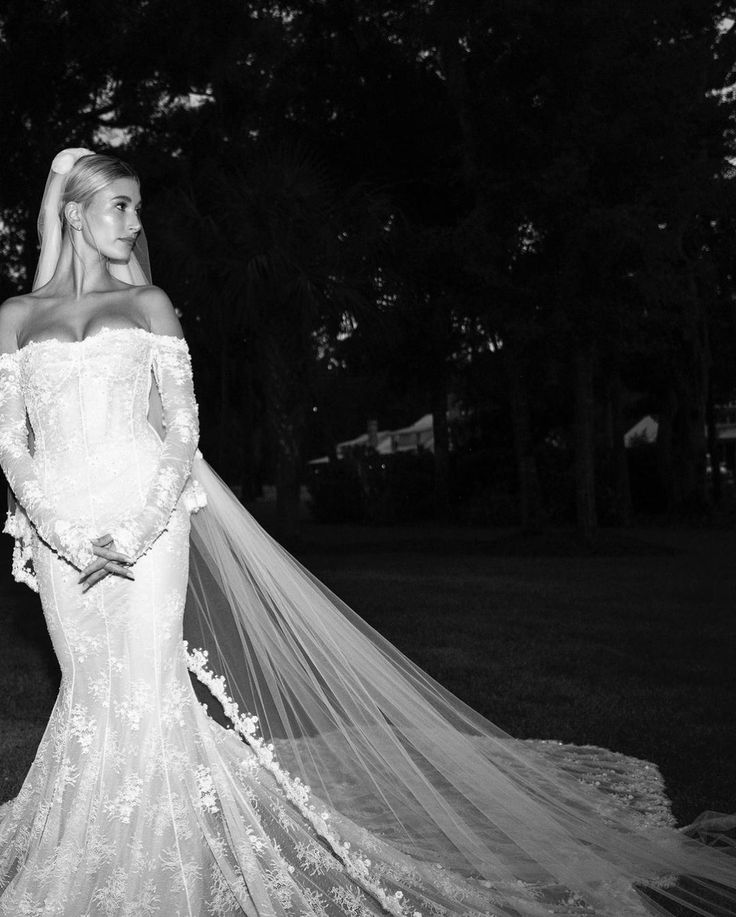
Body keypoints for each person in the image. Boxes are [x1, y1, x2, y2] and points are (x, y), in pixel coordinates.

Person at [0, 149, 733, 917]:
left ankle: (158, 878)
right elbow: (13, 444)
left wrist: (140, 527)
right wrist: (71, 537)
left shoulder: (150, 303)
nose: (138, 221)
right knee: (91, 694)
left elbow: (182, 432)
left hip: (147, 533)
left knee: (149, 694)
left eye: (139, 205)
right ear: (77, 212)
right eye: (122, 205)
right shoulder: (18, 317)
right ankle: (86, 856)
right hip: (65, 540)